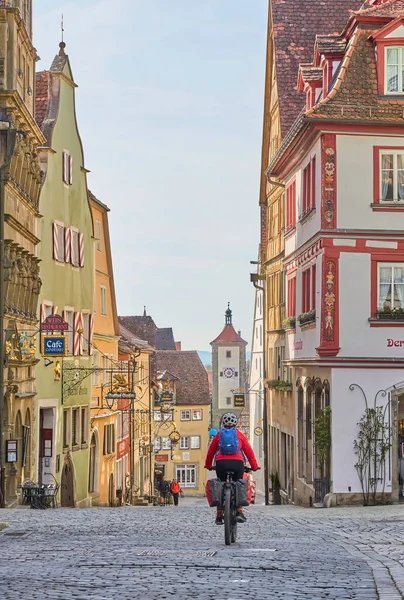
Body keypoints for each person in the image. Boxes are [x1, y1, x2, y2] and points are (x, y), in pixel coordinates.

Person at [205, 412, 259, 525]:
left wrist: (208, 465)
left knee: (220, 485)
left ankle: (219, 514)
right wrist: (254, 466)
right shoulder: (239, 435)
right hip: (237, 463)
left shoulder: (219, 435)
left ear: (223, 424)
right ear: (235, 424)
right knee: (238, 483)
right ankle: (239, 511)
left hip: (221, 463)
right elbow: (249, 452)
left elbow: (211, 452)